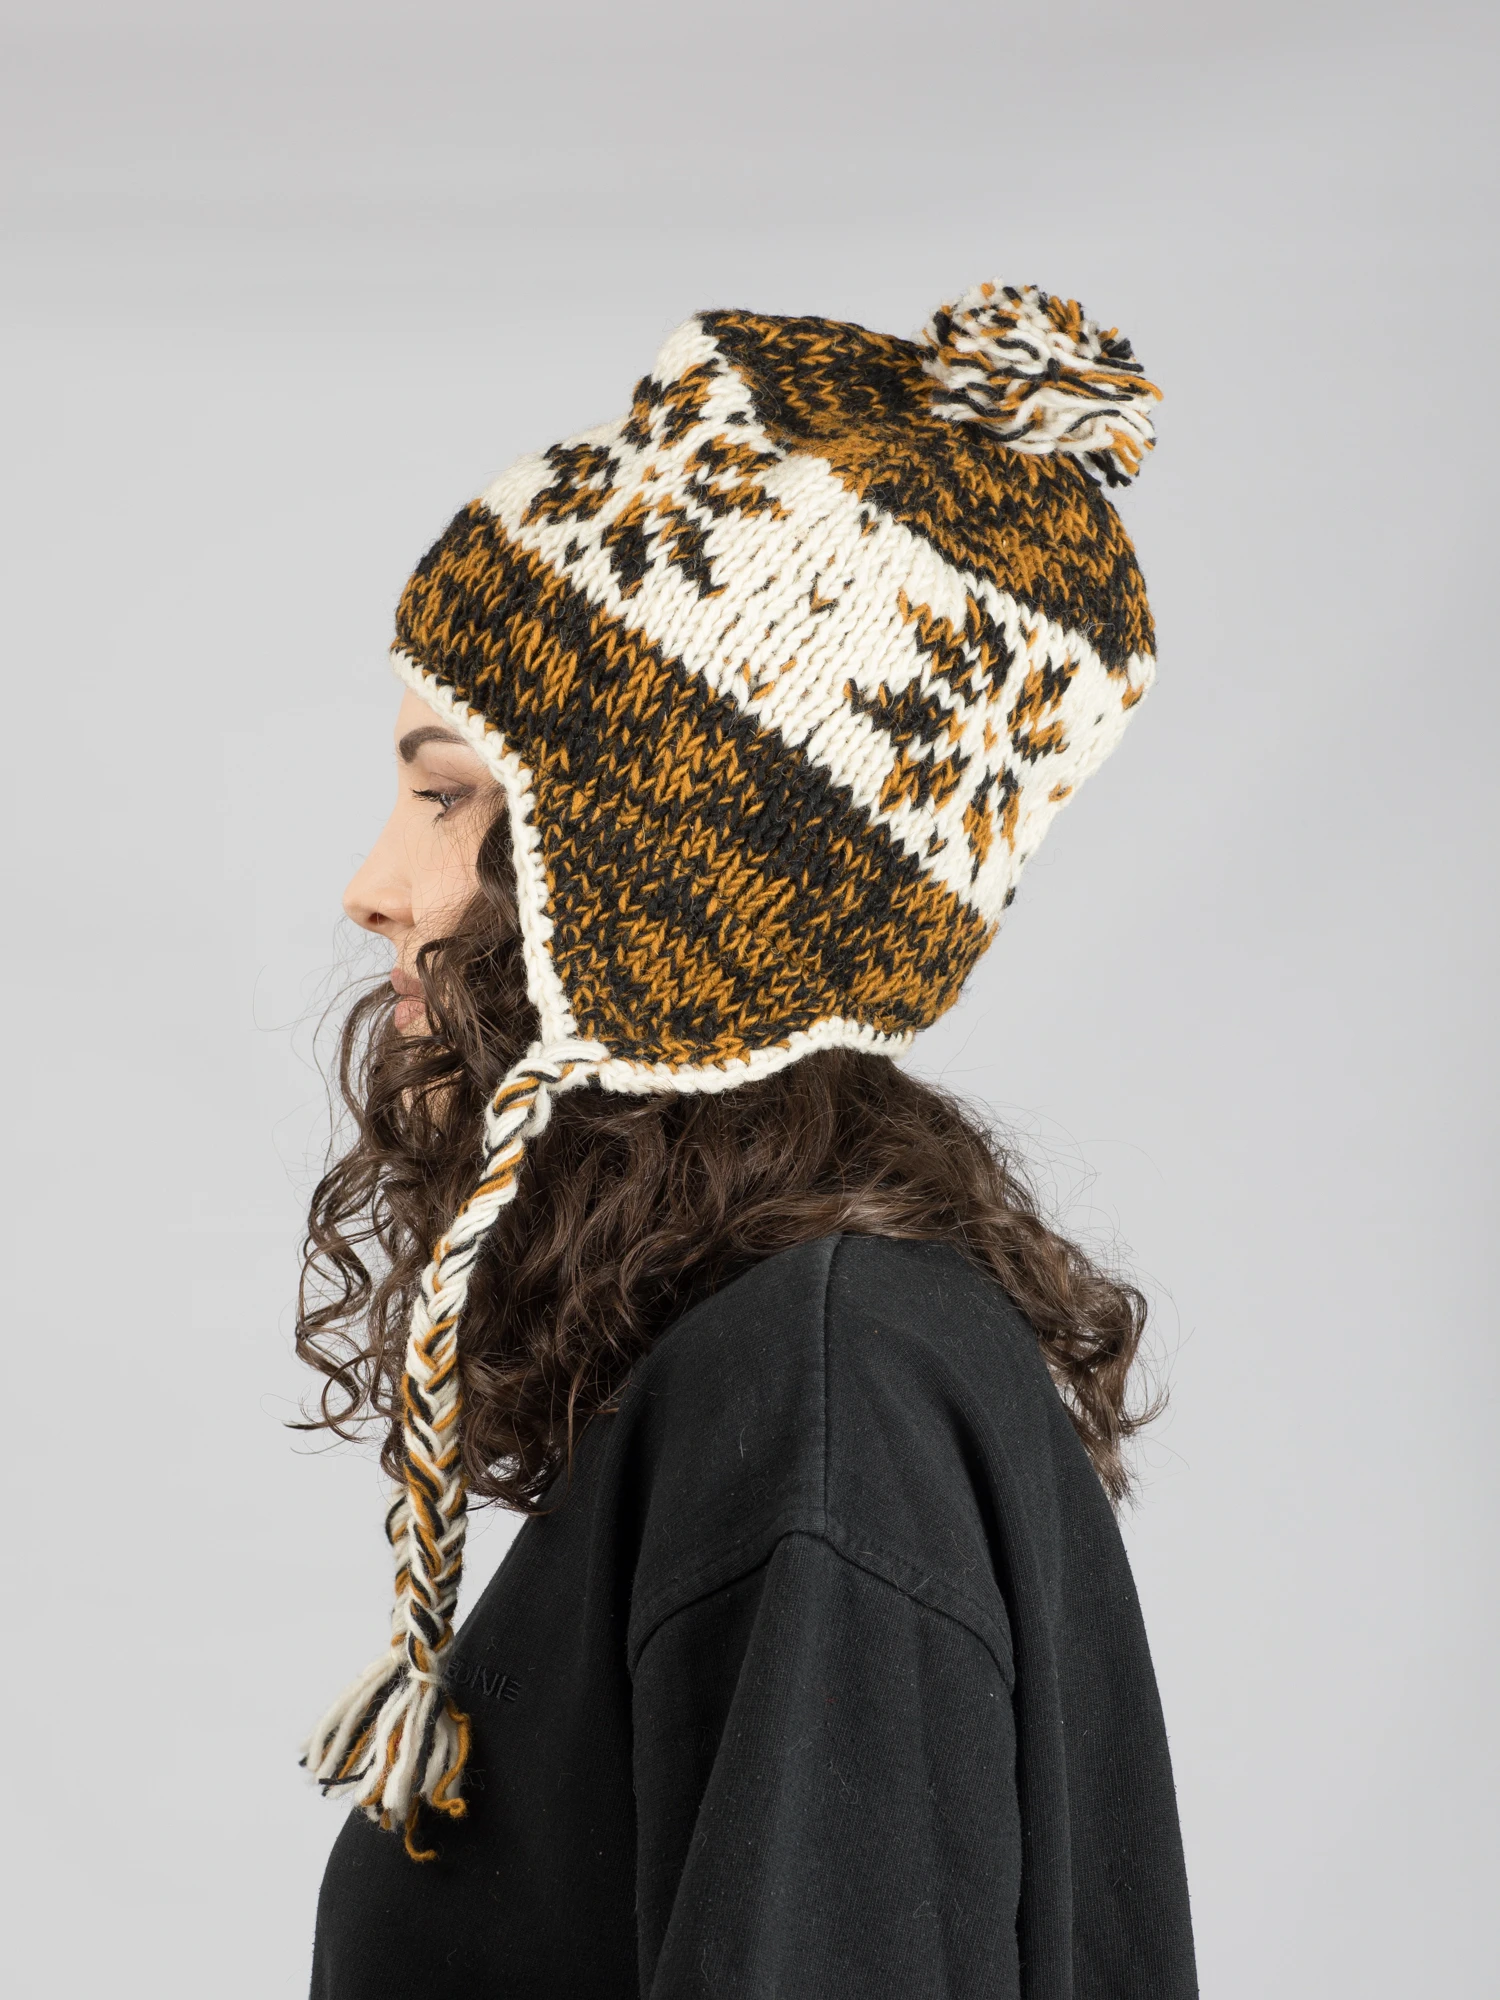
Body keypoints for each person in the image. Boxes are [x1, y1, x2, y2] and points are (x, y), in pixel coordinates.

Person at [297, 283, 1198, 1997]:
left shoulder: (825, 1392)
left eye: (448, 794)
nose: (376, 885)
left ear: (654, 872)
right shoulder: (795, 1367)